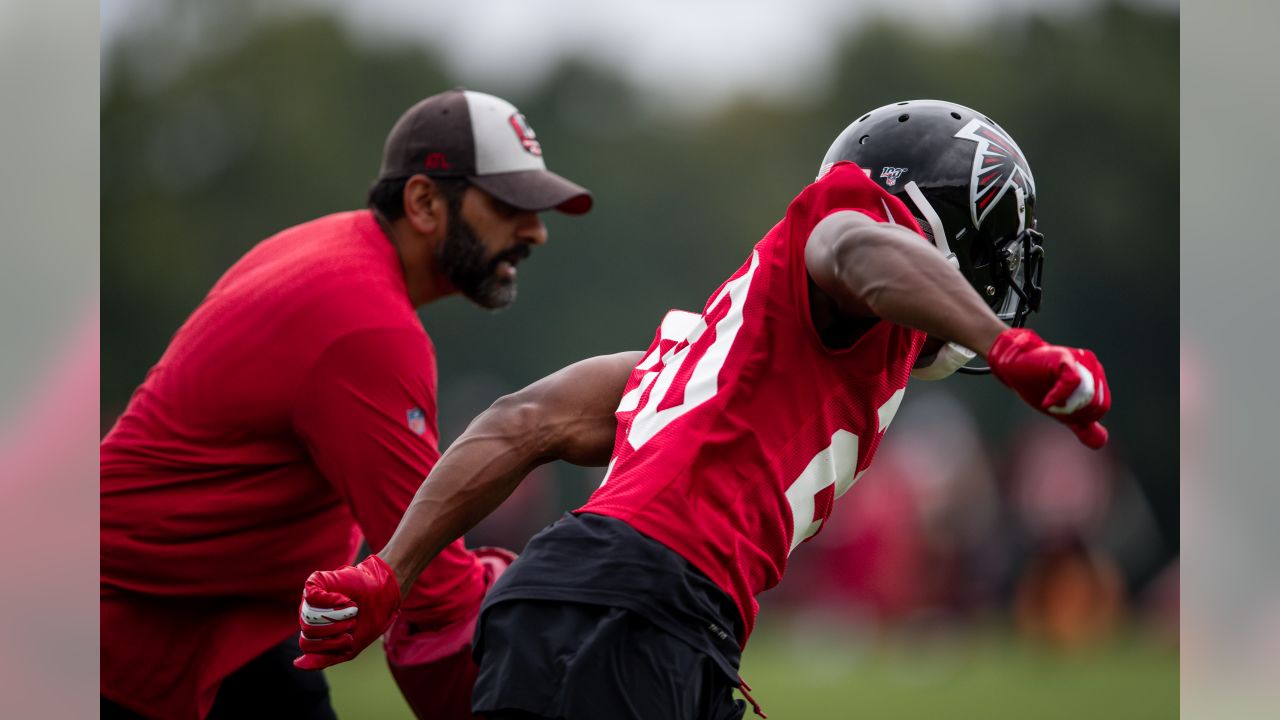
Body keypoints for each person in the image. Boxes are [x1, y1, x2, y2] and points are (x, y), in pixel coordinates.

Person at [294, 100, 1112, 719]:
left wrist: (388, 570)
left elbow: (523, 419)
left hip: (602, 605)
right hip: (632, 610)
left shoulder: (713, 354)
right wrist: (1002, 345)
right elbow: (858, 251)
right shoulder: (841, 237)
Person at [100, 88, 593, 720]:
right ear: (422, 202)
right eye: (508, 205)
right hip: (124, 629)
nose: (536, 231)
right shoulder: (365, 325)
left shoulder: (335, 253)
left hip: (221, 620)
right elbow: (434, 588)